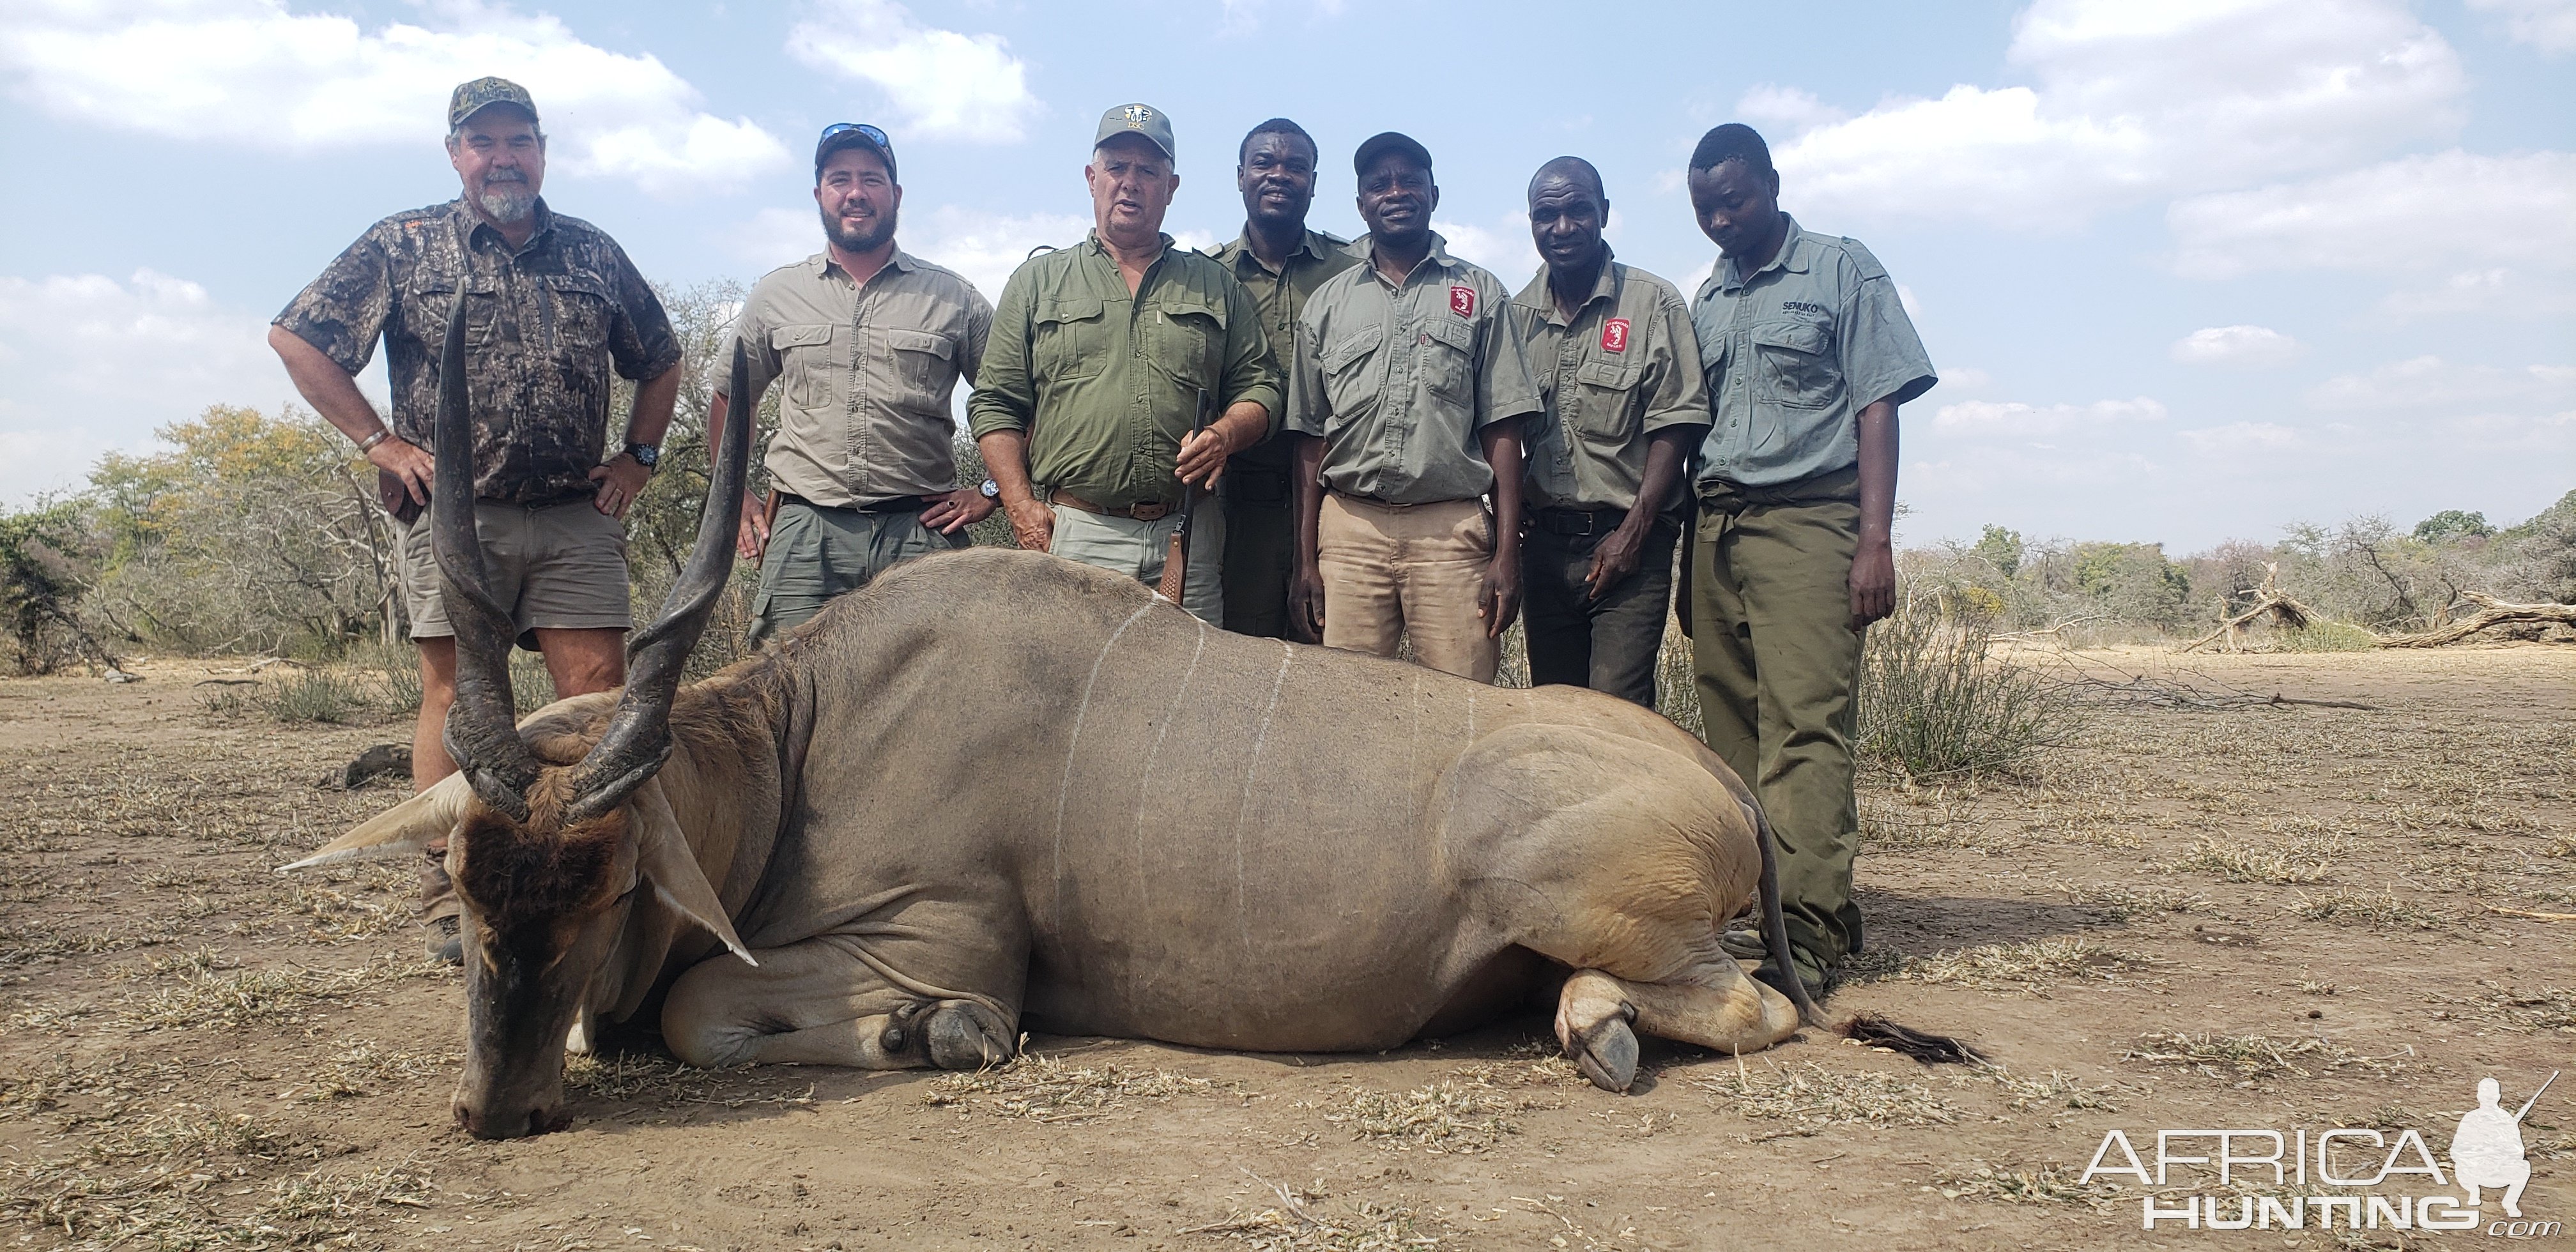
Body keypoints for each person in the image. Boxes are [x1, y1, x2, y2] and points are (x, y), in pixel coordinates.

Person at [268, 77, 682, 959]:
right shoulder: (403, 244)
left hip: (575, 513)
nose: (503, 158)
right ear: (456, 153)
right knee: (455, 697)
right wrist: (381, 443)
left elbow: (663, 358)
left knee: (596, 696)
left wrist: (637, 461)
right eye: (483, 142)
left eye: (519, 141)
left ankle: (589, 872)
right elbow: (298, 339)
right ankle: (449, 884)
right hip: (456, 515)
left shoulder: (592, 252)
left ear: (542, 150)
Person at [1680, 123, 1936, 999]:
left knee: (1807, 729)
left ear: (1773, 185)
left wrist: (1875, 539)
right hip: (1716, 526)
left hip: (1810, 520)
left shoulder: (1840, 268)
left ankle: (1812, 936)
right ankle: (1768, 913)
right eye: (1704, 206)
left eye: (1735, 199)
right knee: (1734, 735)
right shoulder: (1707, 299)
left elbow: (1878, 402)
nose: (1720, 218)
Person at [969, 103, 1281, 625]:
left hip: (1189, 538)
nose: (1130, 183)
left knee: (1194, 697)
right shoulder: (1037, 283)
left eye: (1148, 171)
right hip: (1076, 536)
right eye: (1117, 167)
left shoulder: (1215, 284)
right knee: (1070, 698)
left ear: (1172, 186)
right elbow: (996, 404)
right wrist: (1020, 507)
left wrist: (1226, 434)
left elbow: (1262, 388)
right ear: (1092, 179)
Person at [711, 123, 995, 645]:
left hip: (921, 532)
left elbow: (1015, 401)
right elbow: (731, 395)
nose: (856, 192)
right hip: (804, 534)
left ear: (897, 195)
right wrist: (735, 499)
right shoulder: (778, 293)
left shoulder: (955, 298)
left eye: (872, 179)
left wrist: (991, 491)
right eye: (840, 179)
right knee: (786, 702)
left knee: (937, 706)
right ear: (819, 194)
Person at [1285, 132, 1540, 682]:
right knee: (1343, 708)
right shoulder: (1328, 304)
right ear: (1361, 205)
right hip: (1351, 534)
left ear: (1434, 193)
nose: (1395, 192)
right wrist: (1306, 560)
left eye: (1409, 181)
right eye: (1379, 185)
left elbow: (1504, 428)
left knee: (1463, 711)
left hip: (1450, 535)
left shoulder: (1481, 292)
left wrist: (1506, 555)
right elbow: (1310, 440)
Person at [1510, 156, 1709, 706]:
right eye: (1546, 215)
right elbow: (1497, 429)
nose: (1563, 227)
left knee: (1618, 716)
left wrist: (1633, 534)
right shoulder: (1514, 316)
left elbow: (1678, 422)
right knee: (1557, 716)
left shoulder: (1652, 302)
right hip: (1545, 548)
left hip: (1628, 545)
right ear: (1531, 222)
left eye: (1578, 210)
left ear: (1604, 214)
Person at [1203, 118, 1360, 639]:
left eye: (1296, 167)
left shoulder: (1353, 271)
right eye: (1264, 163)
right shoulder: (1207, 277)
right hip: (1239, 502)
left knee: (1331, 655)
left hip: (1338, 498)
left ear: (1314, 182)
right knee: (1239, 658)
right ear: (1241, 175)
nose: (1279, 176)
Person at [2451, 1077, 2534, 1218]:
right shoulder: (2470, 1118)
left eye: (2492, 1095)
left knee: (2524, 1166)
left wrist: (2501, 1154)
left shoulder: (2506, 1119)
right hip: (2475, 1169)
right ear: (2478, 1097)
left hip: (2499, 1170)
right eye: (2484, 1095)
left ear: (2498, 1097)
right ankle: (2474, 1191)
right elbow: (2456, 1151)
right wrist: (2479, 1153)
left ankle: (2510, 1203)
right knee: (2460, 1165)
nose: (2488, 1098)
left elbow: (2519, 1151)